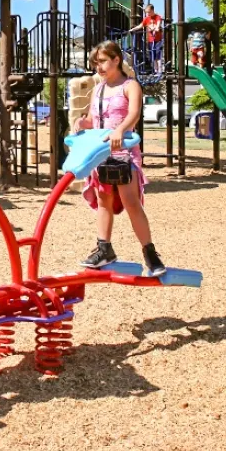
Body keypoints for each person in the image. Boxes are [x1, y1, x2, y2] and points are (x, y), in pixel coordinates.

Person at [73, 40, 166, 275]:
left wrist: (121, 129)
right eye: (96, 63)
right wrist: (82, 123)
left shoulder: (130, 86)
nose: (99, 67)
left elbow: (134, 114)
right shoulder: (98, 89)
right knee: (103, 200)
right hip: (100, 153)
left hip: (123, 152)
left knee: (131, 201)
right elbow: (93, 120)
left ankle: (150, 254)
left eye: (103, 61)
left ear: (116, 60)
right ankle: (104, 249)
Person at [129, 4, 163, 74]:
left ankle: (160, 71)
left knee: (158, 55)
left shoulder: (157, 17)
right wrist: (132, 29)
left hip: (157, 40)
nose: (148, 14)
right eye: (147, 12)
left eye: (149, 12)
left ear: (152, 10)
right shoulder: (147, 19)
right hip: (150, 40)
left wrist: (156, 28)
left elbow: (158, 24)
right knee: (152, 56)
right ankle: (155, 70)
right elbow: (140, 26)